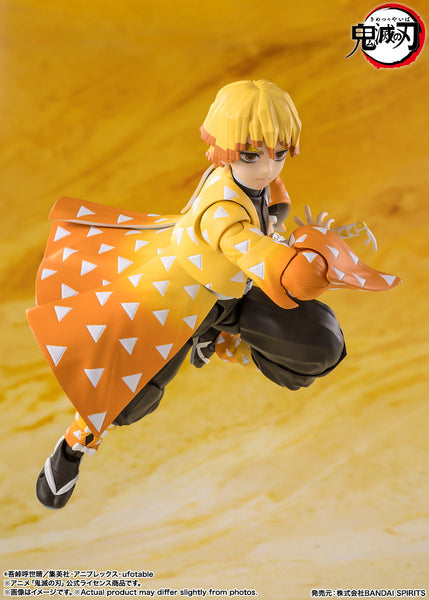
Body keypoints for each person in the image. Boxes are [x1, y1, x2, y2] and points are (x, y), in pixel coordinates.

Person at [27, 79, 400, 509]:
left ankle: (222, 340)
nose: (268, 168)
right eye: (252, 155)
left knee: (319, 342)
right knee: (124, 399)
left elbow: (268, 222)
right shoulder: (221, 210)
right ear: (224, 148)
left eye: (279, 153)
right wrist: (313, 263)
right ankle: (72, 447)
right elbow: (256, 252)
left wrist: (296, 238)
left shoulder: (259, 185)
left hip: (229, 294)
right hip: (175, 303)